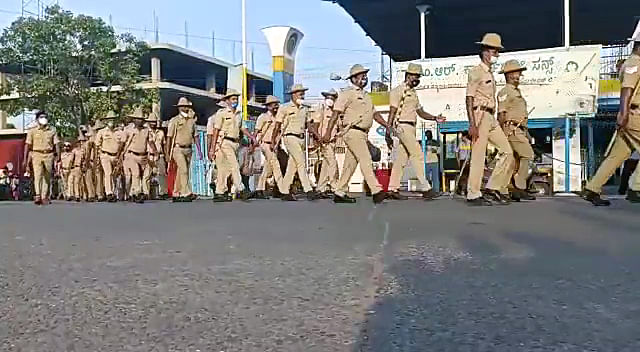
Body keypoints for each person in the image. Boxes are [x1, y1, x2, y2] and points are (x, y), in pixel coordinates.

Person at [583, 34, 640, 205]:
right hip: (634, 115)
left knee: (616, 156)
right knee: (616, 156)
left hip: (630, 115)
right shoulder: (635, 63)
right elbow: (627, 89)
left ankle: (592, 188)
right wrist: (622, 114)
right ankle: (636, 187)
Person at [322, 64, 390, 204]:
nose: (364, 77)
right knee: (365, 159)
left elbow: (374, 114)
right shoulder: (347, 94)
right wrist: (328, 133)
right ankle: (376, 190)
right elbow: (336, 114)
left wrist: (387, 125)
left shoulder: (367, 96)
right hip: (352, 132)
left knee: (350, 164)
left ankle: (340, 191)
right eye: (361, 75)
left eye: (365, 74)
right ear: (353, 78)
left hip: (363, 133)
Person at [465, 33, 514, 206]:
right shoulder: (476, 72)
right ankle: (473, 193)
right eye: (495, 51)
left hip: (490, 116)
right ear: (485, 51)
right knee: (478, 155)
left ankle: (492, 187)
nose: (497, 55)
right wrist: (472, 124)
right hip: (479, 115)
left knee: (507, 152)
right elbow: (469, 98)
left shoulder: (490, 74)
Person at [386, 63, 445, 200]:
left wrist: (434, 118)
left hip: (411, 127)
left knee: (401, 159)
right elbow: (393, 110)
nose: (417, 79)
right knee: (417, 154)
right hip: (402, 125)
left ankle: (392, 188)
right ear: (408, 75)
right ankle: (426, 188)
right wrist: (388, 129)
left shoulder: (413, 93)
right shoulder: (398, 90)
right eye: (415, 76)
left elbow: (420, 112)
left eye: (419, 77)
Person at [497, 59, 536, 201]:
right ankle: (520, 186)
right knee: (528, 155)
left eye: (519, 72)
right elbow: (501, 113)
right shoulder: (505, 92)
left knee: (513, 161)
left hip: (520, 128)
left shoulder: (515, 91)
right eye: (516, 72)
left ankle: (506, 189)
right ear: (508, 74)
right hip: (511, 128)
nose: (519, 75)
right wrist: (500, 132)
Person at [271, 84, 318, 201]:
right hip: (289, 137)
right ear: (293, 95)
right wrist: (273, 140)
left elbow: (309, 125)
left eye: (302, 92)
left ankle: (284, 190)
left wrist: (318, 137)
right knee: (301, 162)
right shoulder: (285, 108)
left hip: (301, 138)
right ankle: (308, 189)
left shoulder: (305, 109)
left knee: (292, 166)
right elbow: (277, 125)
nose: (301, 94)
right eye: (298, 92)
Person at [207, 89, 255, 202]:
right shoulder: (221, 114)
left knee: (224, 169)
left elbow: (243, 128)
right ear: (227, 101)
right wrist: (212, 149)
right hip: (224, 142)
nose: (235, 101)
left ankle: (220, 192)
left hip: (235, 143)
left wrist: (251, 137)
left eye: (236, 99)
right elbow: (215, 131)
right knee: (234, 165)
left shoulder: (238, 114)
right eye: (233, 99)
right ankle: (241, 189)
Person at [166, 97, 202, 202]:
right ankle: (186, 192)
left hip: (188, 149)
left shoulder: (192, 121)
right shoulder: (174, 120)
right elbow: (169, 137)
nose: (184, 108)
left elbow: (196, 136)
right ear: (178, 108)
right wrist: (168, 152)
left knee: (182, 172)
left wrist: (199, 151)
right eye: (182, 106)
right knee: (184, 170)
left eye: (186, 106)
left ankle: (177, 192)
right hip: (177, 148)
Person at [23, 111, 60, 205]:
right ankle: (38, 195)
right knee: (38, 175)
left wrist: (58, 156)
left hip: (49, 154)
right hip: (36, 154)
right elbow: (27, 145)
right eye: (41, 117)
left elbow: (56, 144)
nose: (43, 119)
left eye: (45, 117)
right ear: (37, 119)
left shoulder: (52, 130)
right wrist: (25, 159)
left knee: (47, 176)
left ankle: (44, 196)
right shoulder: (32, 131)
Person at [122, 107, 157, 204]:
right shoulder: (129, 130)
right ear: (134, 120)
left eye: (141, 119)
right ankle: (137, 193)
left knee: (143, 175)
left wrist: (156, 152)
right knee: (136, 174)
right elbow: (124, 143)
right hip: (132, 155)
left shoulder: (146, 130)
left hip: (143, 156)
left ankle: (133, 193)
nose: (139, 121)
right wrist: (121, 155)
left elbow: (150, 142)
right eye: (137, 119)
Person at [312, 89, 340, 198]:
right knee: (333, 164)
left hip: (333, 142)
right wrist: (318, 138)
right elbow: (314, 127)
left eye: (332, 98)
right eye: (328, 97)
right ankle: (335, 187)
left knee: (325, 166)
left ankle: (320, 188)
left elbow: (338, 127)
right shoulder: (321, 110)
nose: (330, 100)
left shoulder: (336, 112)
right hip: (325, 142)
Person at [253, 95, 283, 199]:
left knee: (267, 167)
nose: (276, 107)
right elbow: (257, 131)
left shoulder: (278, 117)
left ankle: (259, 189)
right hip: (266, 144)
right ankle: (283, 189)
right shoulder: (263, 117)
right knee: (276, 165)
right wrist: (253, 143)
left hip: (275, 145)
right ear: (268, 106)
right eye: (274, 105)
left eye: (277, 104)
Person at [95, 111, 123, 202]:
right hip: (105, 155)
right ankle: (109, 193)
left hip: (116, 156)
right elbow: (97, 145)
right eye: (110, 120)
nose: (112, 121)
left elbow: (122, 144)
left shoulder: (119, 132)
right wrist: (98, 157)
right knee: (108, 173)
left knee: (114, 175)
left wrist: (120, 157)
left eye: (113, 119)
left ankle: (114, 192)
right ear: (106, 121)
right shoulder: (101, 132)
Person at [143, 112, 167, 200]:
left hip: (160, 155)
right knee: (147, 175)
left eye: (154, 121)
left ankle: (163, 192)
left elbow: (164, 144)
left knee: (162, 174)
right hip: (149, 155)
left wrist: (166, 155)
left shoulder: (160, 132)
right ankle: (146, 193)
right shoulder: (146, 132)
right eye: (151, 122)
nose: (153, 123)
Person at [79, 126, 96, 202]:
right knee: (85, 180)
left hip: (88, 162)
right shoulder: (85, 143)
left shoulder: (88, 143)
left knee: (88, 179)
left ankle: (91, 195)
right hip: (86, 162)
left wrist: (86, 164)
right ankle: (87, 195)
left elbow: (87, 154)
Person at [91, 119, 107, 201]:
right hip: (96, 157)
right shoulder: (92, 138)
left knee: (105, 175)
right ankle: (99, 194)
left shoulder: (104, 135)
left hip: (104, 156)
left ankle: (104, 193)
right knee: (98, 176)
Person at [69, 136, 86, 201]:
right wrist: (70, 167)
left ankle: (79, 195)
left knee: (78, 182)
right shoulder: (74, 150)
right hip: (74, 167)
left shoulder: (83, 150)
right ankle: (76, 195)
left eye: (82, 141)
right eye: (79, 141)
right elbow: (71, 160)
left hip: (79, 167)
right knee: (72, 182)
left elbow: (84, 159)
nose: (80, 143)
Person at [456, 131, 472, 195]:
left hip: (467, 161)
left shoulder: (469, 143)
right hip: (462, 161)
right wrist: (458, 160)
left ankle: (466, 189)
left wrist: (468, 160)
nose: (461, 137)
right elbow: (456, 152)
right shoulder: (461, 143)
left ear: (465, 136)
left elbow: (469, 153)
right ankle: (461, 189)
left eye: (462, 136)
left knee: (466, 176)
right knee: (462, 175)